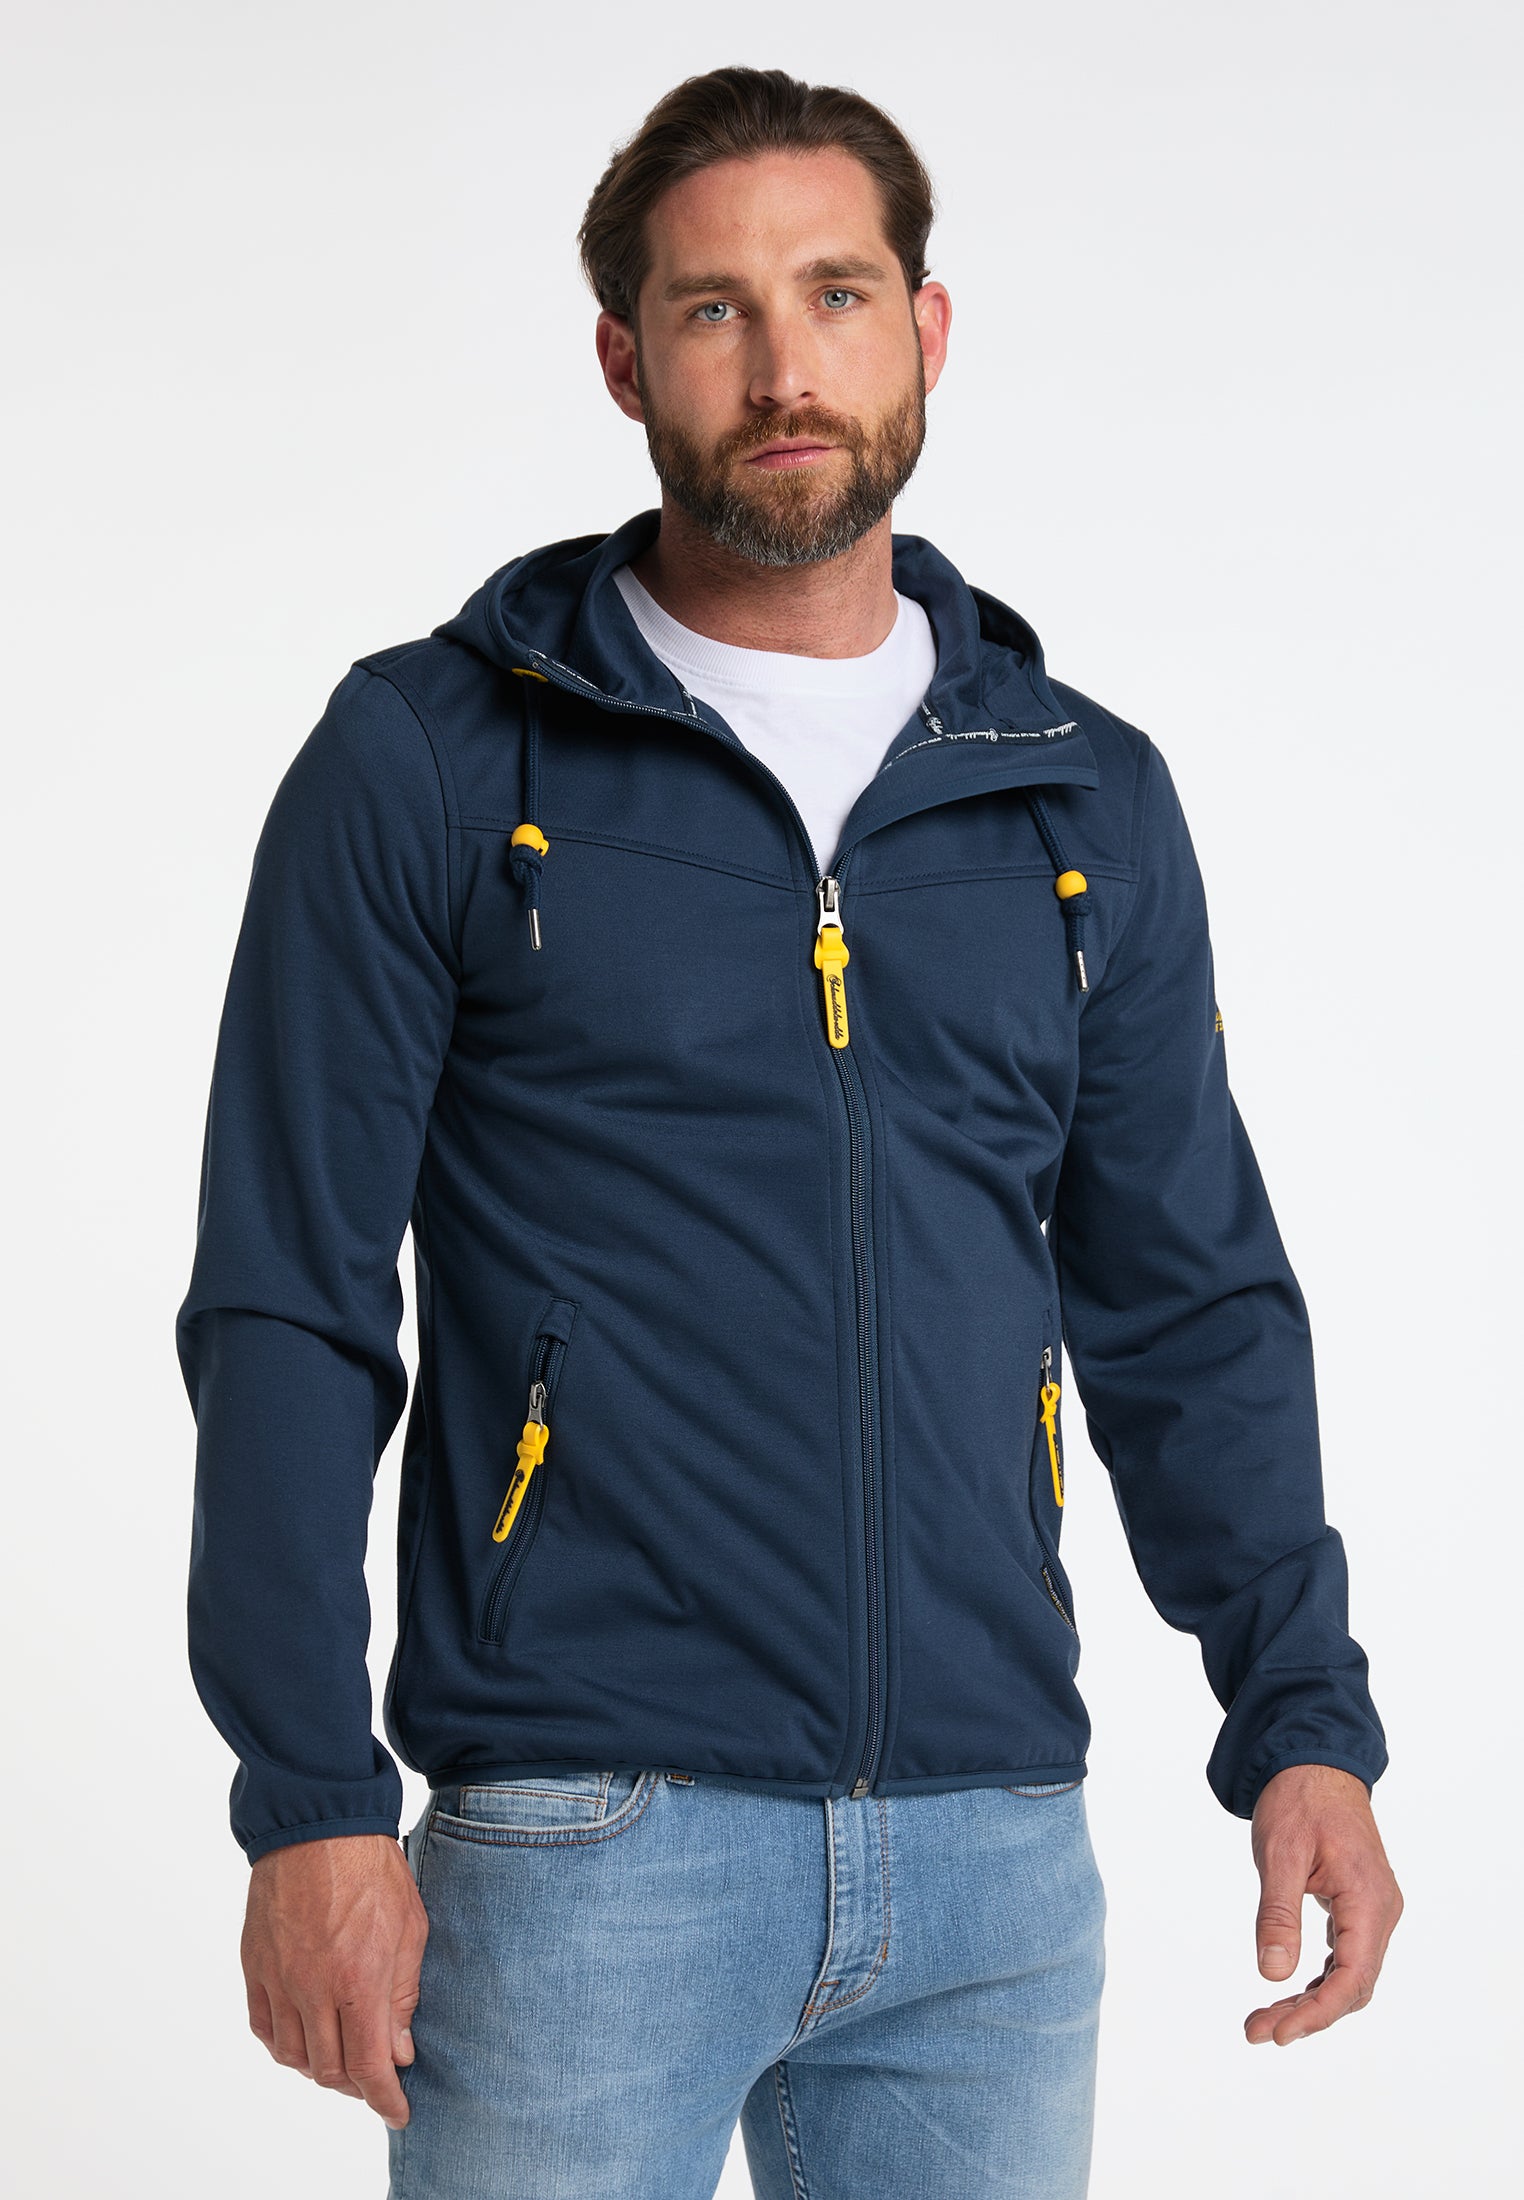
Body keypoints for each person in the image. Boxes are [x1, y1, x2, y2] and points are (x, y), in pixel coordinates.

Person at [174, 64, 1402, 2200]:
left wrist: (1301, 1717)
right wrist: (307, 1798)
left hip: (994, 1858)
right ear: (623, 359)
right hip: (584, 1837)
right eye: (713, 308)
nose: (781, 367)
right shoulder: (436, 758)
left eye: (833, 294)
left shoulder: (1079, 793)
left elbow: (1187, 1296)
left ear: (926, 330)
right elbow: (289, 1299)